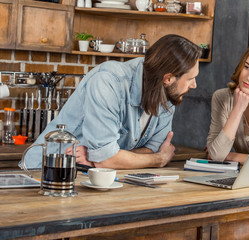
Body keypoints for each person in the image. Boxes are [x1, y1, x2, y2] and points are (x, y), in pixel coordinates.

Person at [22, 34, 201, 169]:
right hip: (46, 172)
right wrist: (158, 160)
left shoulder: (168, 95)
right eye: (191, 78)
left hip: (92, 175)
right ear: (168, 78)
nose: (194, 85)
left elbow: (152, 147)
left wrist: (103, 158)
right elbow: (112, 158)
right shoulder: (109, 81)